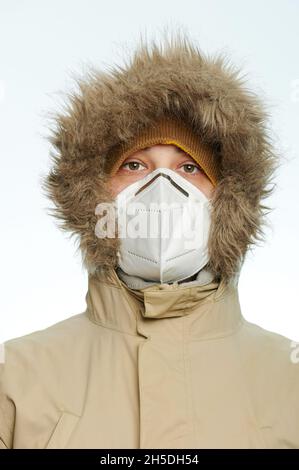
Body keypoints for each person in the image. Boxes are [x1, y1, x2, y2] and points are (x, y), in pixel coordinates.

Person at [0, 32, 298, 449]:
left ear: (229, 200)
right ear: (95, 194)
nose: (163, 186)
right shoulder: (14, 377)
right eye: (135, 165)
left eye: (190, 167)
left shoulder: (289, 380)